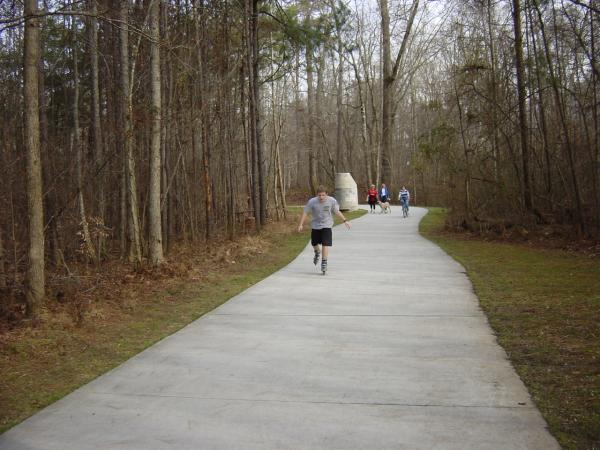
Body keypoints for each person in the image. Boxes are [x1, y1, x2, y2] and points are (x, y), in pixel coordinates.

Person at [297, 185, 351, 275]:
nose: (321, 197)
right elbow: (305, 212)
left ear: (326, 194)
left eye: (323, 195)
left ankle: (324, 262)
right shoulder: (312, 201)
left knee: (325, 243)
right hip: (315, 225)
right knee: (314, 243)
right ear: (317, 195)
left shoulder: (332, 201)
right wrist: (301, 224)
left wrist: (345, 220)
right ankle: (317, 252)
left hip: (327, 224)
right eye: (319, 195)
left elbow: (337, 211)